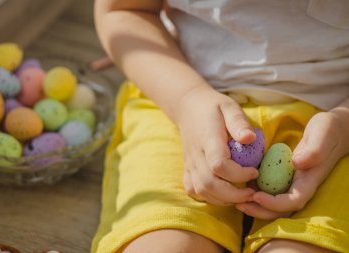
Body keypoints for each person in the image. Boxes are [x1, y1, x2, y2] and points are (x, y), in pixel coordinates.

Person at [91, 1, 349, 252]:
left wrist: (344, 125)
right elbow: (123, 10)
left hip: (336, 121)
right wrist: (187, 100)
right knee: (167, 243)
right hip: (180, 93)